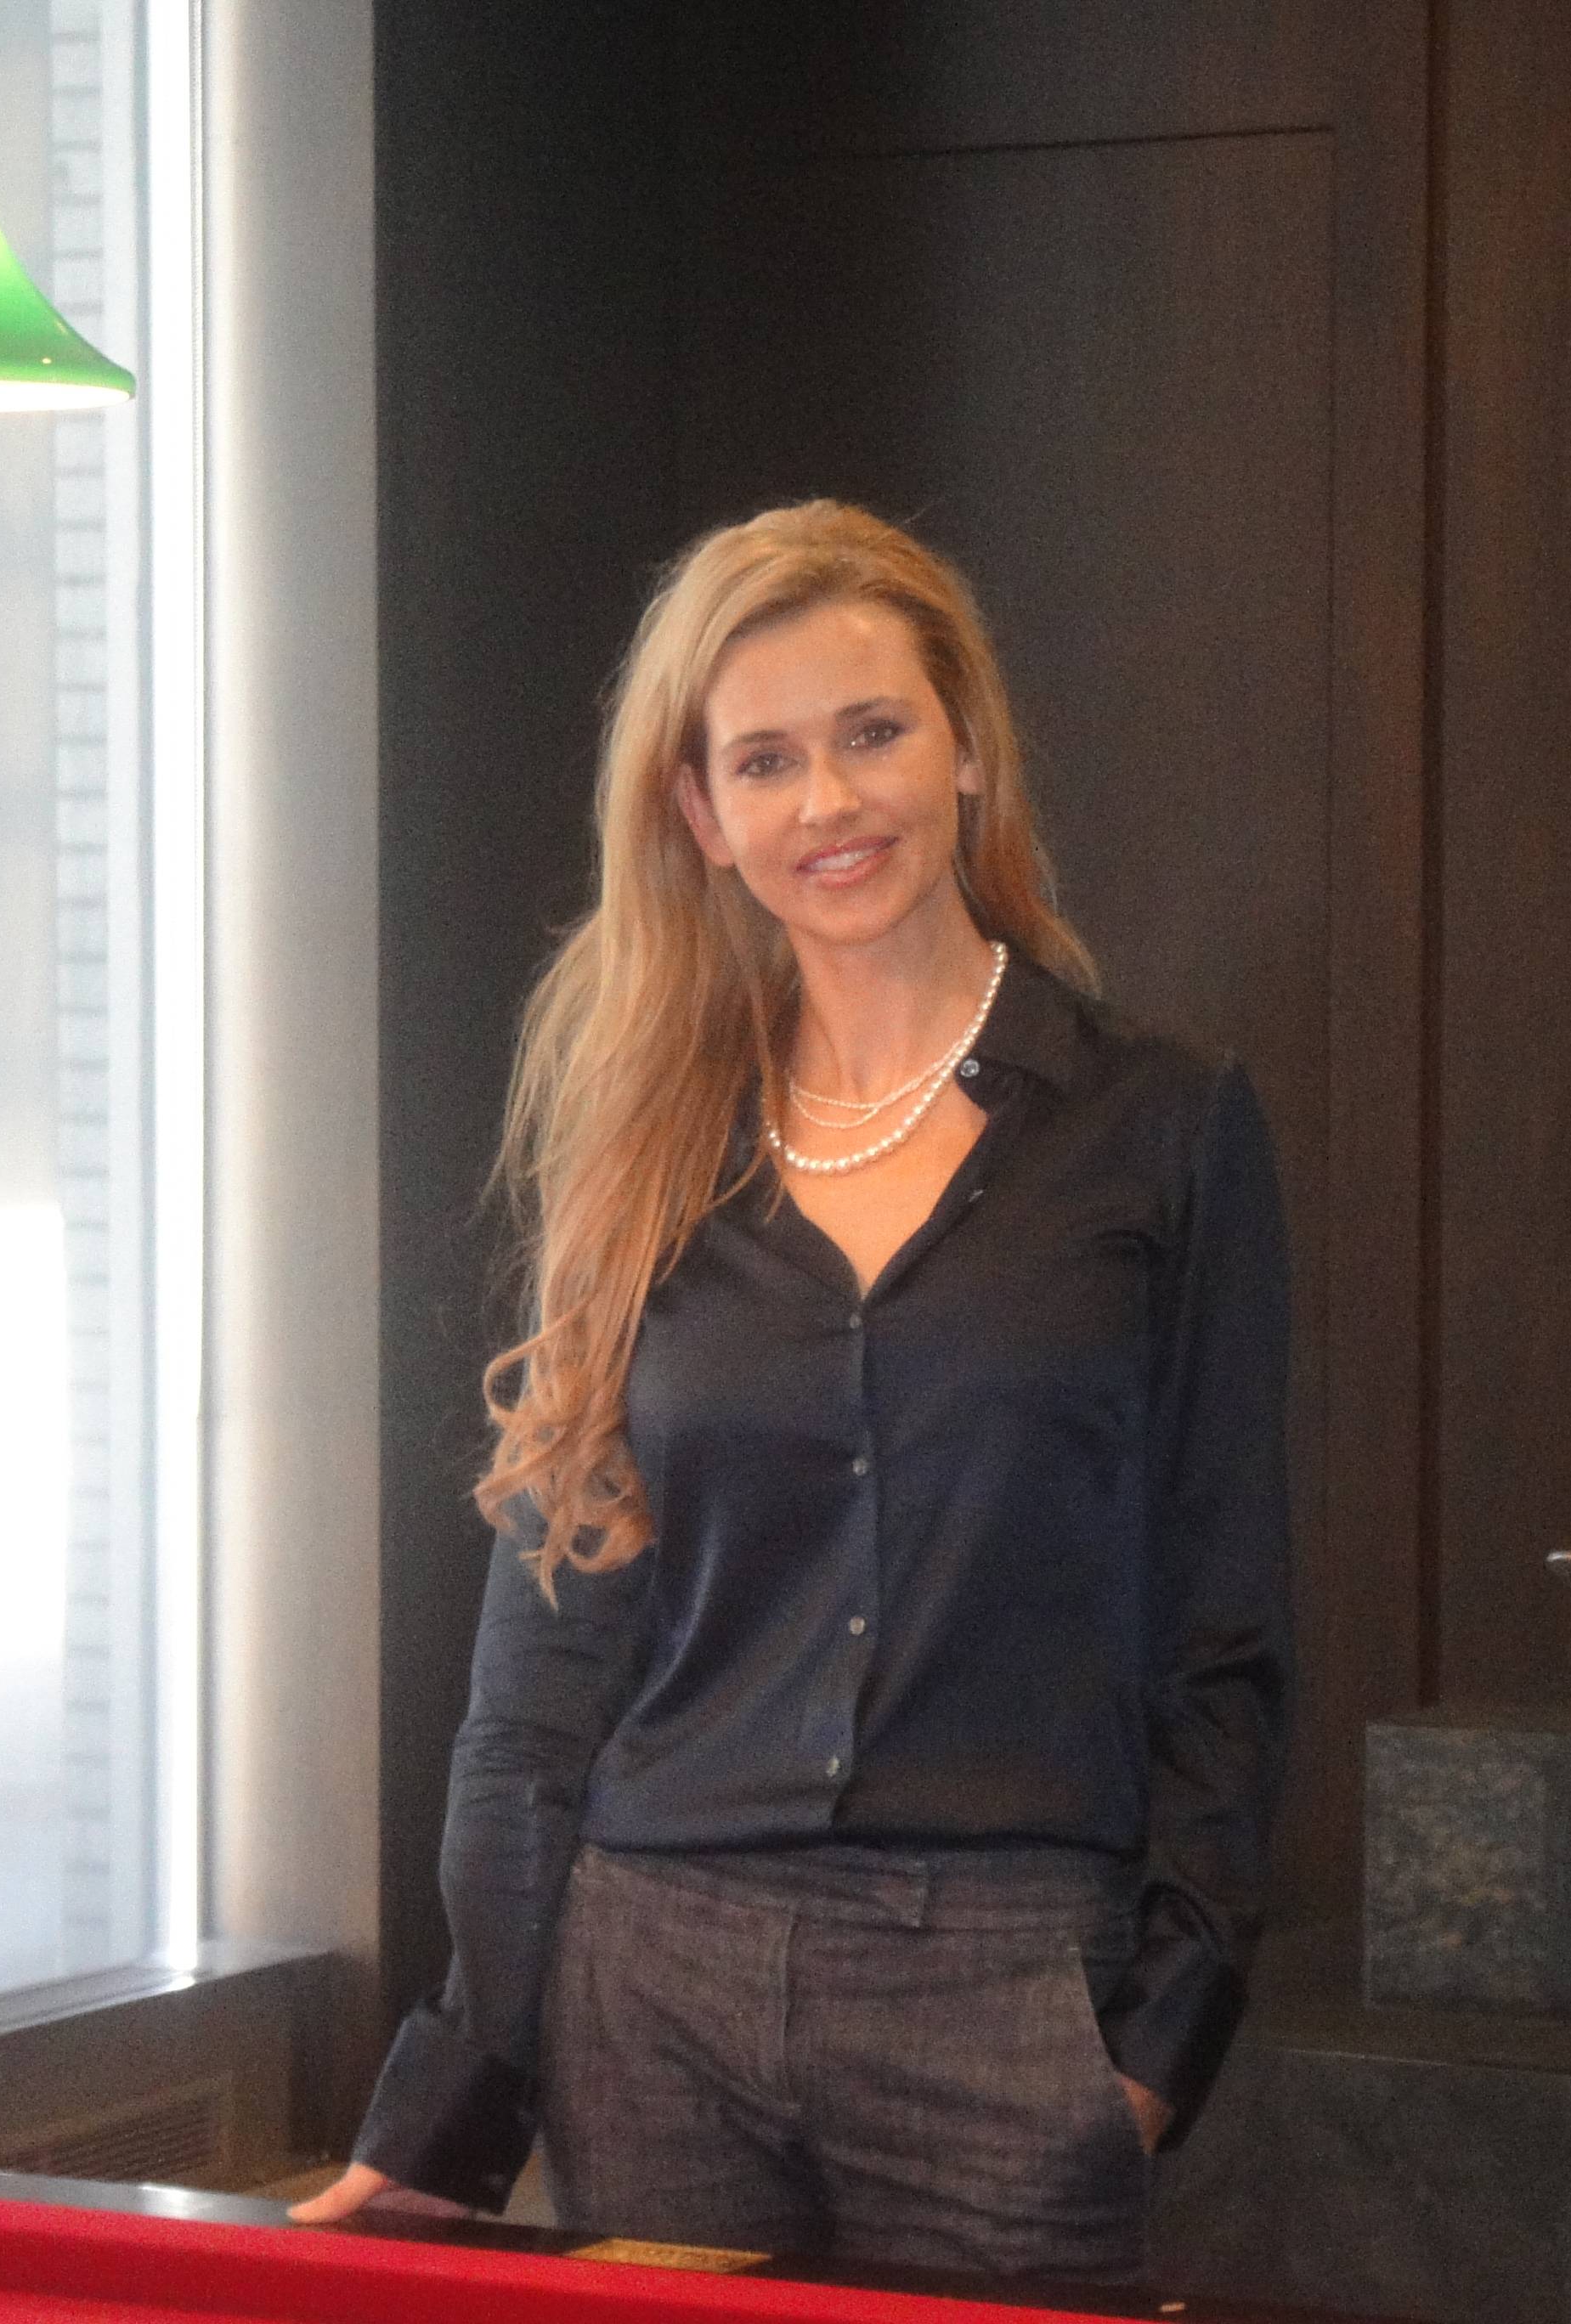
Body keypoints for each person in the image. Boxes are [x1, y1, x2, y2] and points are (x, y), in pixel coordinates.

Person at [294, 501, 1291, 2280]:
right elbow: (542, 1676)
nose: (828, 802)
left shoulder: (1163, 1126)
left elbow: (1230, 1625)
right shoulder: (644, 1145)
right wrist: (456, 2095)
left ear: (966, 747)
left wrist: (1155, 2044)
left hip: (1007, 1992)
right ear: (702, 815)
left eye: (872, 733)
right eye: (764, 761)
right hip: (649, 1987)